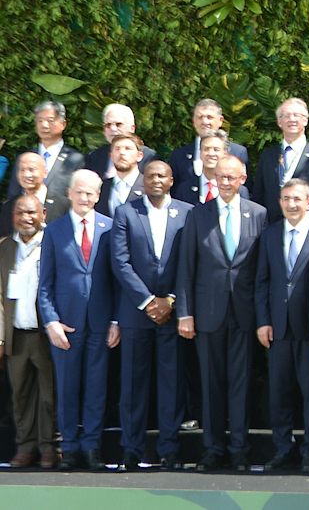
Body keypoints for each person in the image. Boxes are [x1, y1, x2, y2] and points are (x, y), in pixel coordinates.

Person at [177, 155, 266, 469]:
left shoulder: (259, 214)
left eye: (232, 177)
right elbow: (186, 267)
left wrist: (262, 316)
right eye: (221, 177)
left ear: (242, 179)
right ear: (213, 179)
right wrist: (184, 313)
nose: (226, 183)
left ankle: (239, 449)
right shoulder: (197, 215)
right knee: (210, 383)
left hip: (244, 314)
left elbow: (261, 270)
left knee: (241, 383)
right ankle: (213, 449)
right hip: (207, 313)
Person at [110, 158, 188, 468]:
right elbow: (120, 262)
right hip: (135, 312)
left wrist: (169, 300)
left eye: (163, 176)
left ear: (171, 181)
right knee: (132, 384)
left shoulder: (187, 213)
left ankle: (169, 449)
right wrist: (146, 301)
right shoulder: (126, 212)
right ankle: (132, 448)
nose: (156, 180)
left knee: (171, 383)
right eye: (151, 175)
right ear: (143, 180)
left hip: (172, 311)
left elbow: (188, 262)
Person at [38, 169, 117, 470]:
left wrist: (116, 321)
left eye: (91, 193)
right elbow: (45, 284)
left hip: (100, 323)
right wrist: (51, 322)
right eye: (80, 192)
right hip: (66, 327)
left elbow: (116, 279)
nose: (85, 198)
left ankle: (92, 447)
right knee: (67, 389)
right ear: (69, 193)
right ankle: (69, 448)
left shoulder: (110, 228)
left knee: (97, 389)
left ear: (98, 196)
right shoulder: (54, 231)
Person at [256, 177, 309, 470]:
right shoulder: (270, 234)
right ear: (279, 202)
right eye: (286, 199)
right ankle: (282, 448)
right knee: (279, 392)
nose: (291, 204)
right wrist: (262, 321)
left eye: (297, 199)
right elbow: (262, 281)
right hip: (277, 328)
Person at [2, 193, 56, 468]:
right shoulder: (4, 249)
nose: (26, 218)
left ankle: (48, 448)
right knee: (20, 394)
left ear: (43, 214)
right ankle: (25, 446)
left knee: (49, 394)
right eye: (20, 213)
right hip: (15, 335)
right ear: (13, 216)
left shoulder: (52, 243)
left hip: (44, 333)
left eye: (31, 213)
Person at [261, 97, 309, 223]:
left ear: (305, 120)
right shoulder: (268, 156)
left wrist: (308, 231)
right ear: (279, 122)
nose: (292, 119)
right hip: (271, 232)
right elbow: (259, 196)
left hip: (304, 234)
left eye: (297, 115)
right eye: (286, 115)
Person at [9, 102, 82, 219]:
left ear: (63, 124)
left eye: (50, 120)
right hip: (26, 226)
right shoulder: (25, 158)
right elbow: (13, 195)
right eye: (40, 120)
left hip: (60, 224)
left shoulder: (75, 159)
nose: (44, 125)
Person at [165, 100, 249, 201]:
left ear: (220, 120)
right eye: (200, 117)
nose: (205, 122)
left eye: (209, 117)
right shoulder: (179, 155)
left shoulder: (238, 152)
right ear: (194, 121)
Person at [83, 102, 156, 178]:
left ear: (132, 128)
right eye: (108, 125)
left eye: (118, 124)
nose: (113, 129)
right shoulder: (94, 157)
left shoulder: (149, 157)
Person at [101, 133, 147, 215]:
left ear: (139, 156)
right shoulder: (101, 187)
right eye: (117, 149)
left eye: (128, 148)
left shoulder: (149, 186)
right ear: (111, 156)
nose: (122, 152)